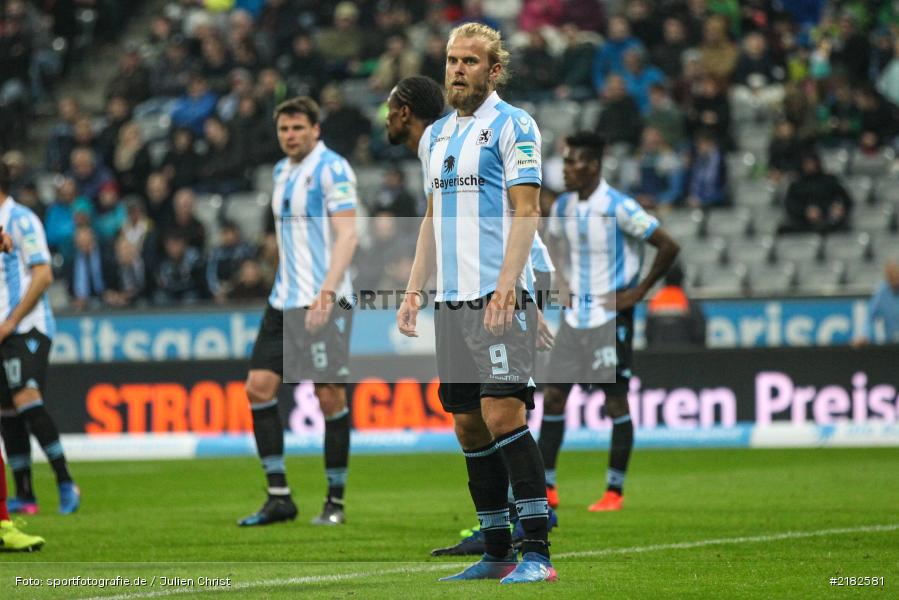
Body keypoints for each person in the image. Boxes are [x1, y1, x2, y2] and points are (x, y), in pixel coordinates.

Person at [395, 24, 556, 583]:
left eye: (470, 61)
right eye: (451, 60)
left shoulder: (516, 126)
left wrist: (512, 286)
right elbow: (432, 219)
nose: (457, 69)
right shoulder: (435, 136)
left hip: (496, 294)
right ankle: (495, 551)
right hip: (453, 300)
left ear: (494, 71)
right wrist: (415, 289)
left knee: (502, 412)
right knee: (467, 424)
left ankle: (536, 552)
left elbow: (527, 210)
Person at [538, 132, 679, 512]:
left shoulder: (620, 207)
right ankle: (547, 487)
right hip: (574, 317)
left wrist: (638, 292)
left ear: (593, 166)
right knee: (553, 396)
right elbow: (551, 242)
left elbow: (669, 245)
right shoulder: (563, 207)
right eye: (564, 161)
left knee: (615, 402)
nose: (565, 169)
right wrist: (562, 280)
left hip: (609, 316)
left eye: (572, 162)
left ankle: (613, 491)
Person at [240, 97, 358, 528]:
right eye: (284, 129)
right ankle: (279, 497)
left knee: (329, 396)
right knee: (258, 388)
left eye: (297, 128)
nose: (290, 136)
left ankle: (335, 502)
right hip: (283, 300)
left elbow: (347, 236)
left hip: (325, 300)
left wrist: (326, 294)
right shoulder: (280, 172)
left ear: (315, 129)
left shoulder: (333, 169)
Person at [0, 162, 80, 516]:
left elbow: (43, 275)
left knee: (27, 398)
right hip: (3, 328)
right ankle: (26, 495)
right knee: (7, 410)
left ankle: (66, 482)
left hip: (27, 326)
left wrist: (12, 320)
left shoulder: (21, 219)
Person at [779, 152, 852, 233]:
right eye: (807, 163)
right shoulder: (796, 185)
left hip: (828, 221)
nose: (810, 166)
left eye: (812, 162)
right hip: (804, 224)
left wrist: (838, 207)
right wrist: (805, 211)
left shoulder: (829, 180)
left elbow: (846, 199)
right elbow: (790, 205)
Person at [645, 263, 706, 349]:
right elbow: (699, 335)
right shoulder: (689, 304)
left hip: (659, 357)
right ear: (681, 280)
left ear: (665, 280)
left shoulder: (653, 304)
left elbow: (648, 335)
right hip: (684, 357)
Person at [853, 258, 899, 346]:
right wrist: (865, 335)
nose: (894, 277)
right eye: (890, 275)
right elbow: (870, 316)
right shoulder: (882, 292)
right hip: (892, 343)